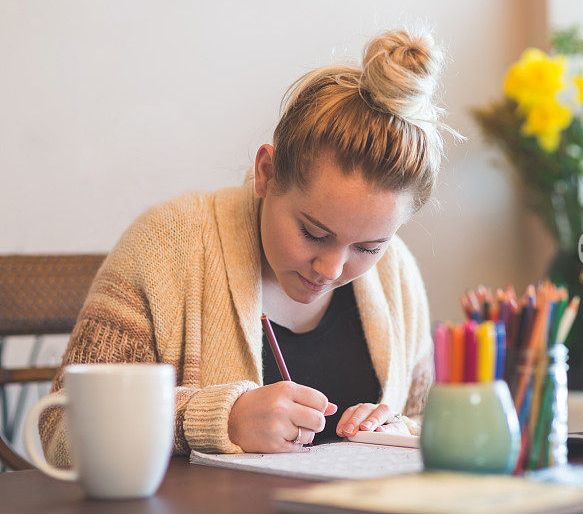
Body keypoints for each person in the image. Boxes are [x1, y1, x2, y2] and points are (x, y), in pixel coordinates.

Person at [40, 27, 458, 465]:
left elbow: (428, 418)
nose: (332, 268)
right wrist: (221, 419)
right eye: (314, 233)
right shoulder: (168, 247)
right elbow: (61, 433)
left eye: (369, 247)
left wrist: (397, 431)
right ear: (266, 172)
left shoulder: (397, 276)